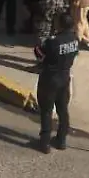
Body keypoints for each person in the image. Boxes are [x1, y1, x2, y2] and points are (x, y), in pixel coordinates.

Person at [34, 11, 79, 153]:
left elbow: (39, 54)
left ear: (60, 25)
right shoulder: (75, 39)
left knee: (46, 111)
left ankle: (45, 143)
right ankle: (61, 140)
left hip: (49, 79)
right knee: (63, 110)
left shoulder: (53, 41)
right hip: (65, 78)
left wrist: (39, 45)